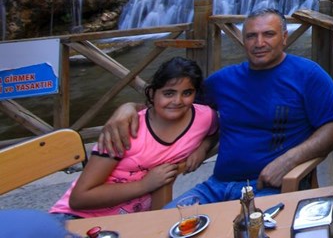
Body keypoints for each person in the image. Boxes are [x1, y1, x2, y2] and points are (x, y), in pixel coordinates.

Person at [98, 9, 333, 204]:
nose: (259, 42)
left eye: (268, 34)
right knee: (166, 225)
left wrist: (289, 159)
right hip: (216, 185)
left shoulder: (308, 75)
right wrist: (128, 106)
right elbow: (173, 105)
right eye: (251, 36)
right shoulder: (223, 81)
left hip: (271, 187)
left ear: (284, 37)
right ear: (242, 39)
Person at [50, 57, 218, 218]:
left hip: (133, 222)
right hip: (77, 217)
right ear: (152, 94)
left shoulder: (205, 118)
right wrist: (144, 185)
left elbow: (215, 133)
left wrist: (202, 148)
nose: (177, 101)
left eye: (187, 93)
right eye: (168, 93)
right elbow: (79, 198)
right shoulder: (124, 129)